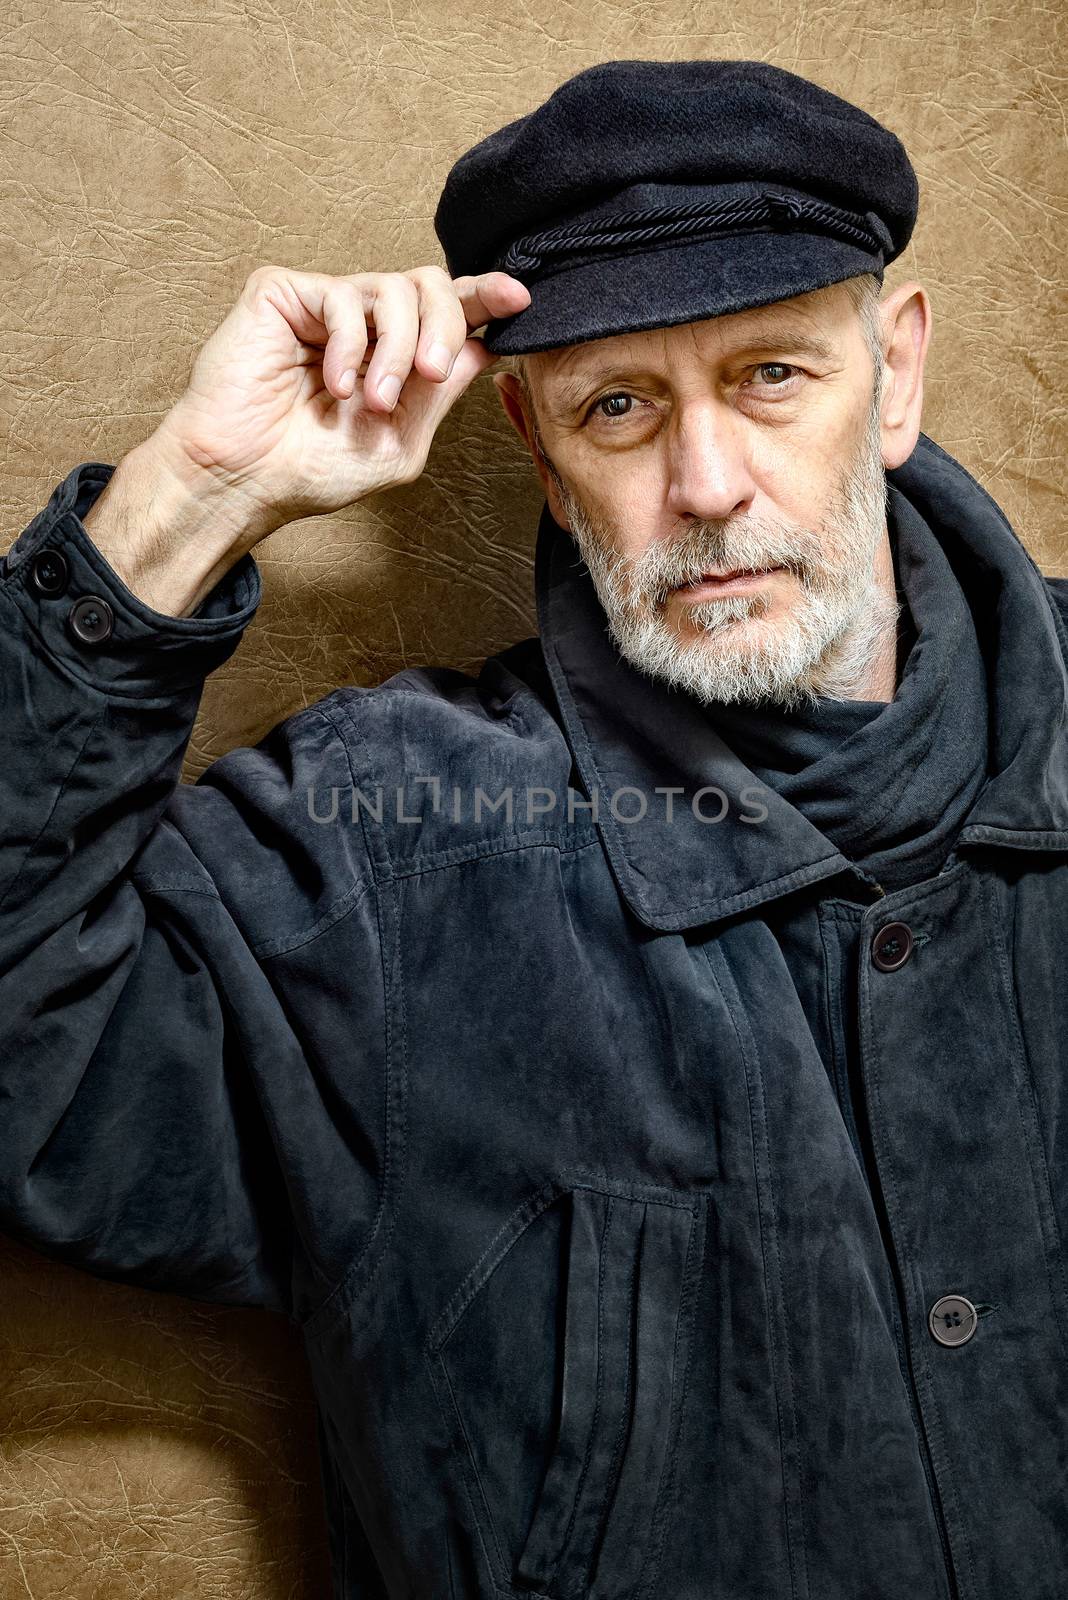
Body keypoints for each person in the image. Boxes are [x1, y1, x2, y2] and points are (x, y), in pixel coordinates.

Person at [1, 55, 1066, 1600]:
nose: (705, 484)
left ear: (894, 373)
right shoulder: (382, 849)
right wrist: (193, 492)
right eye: (620, 406)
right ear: (538, 448)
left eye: (774, 374)